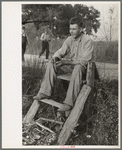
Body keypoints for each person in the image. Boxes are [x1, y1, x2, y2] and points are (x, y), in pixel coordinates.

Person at [33, 17, 94, 112]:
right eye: (70, 29)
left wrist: (65, 62)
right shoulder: (69, 39)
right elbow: (61, 51)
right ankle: (45, 92)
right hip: (73, 68)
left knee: (78, 67)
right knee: (52, 62)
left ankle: (69, 103)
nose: (71, 31)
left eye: (74, 29)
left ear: (81, 29)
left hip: (86, 71)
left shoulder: (87, 40)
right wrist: (56, 58)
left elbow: (84, 61)